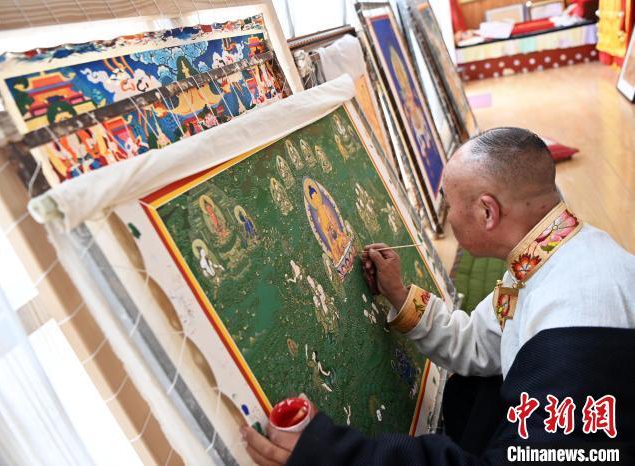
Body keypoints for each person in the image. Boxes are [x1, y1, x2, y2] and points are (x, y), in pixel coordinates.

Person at [242, 127, 635, 465]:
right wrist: (399, 295)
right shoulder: (545, 256)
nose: (445, 213)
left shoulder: (577, 320)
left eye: (448, 203)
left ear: (487, 213)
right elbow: (479, 344)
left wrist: (335, 454)